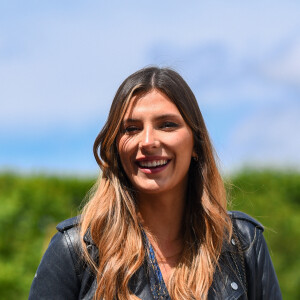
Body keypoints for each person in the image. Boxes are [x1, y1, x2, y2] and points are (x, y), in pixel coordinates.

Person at [29, 67, 282, 299]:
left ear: (196, 143)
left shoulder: (241, 243)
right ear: (116, 148)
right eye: (131, 128)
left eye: (167, 125)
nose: (148, 141)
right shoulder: (75, 252)